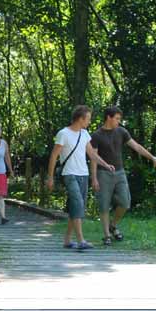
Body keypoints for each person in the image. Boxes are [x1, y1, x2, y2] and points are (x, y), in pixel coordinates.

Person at [90, 106, 156, 246]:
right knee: (104, 205)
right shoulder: (97, 135)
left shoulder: (122, 132)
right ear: (108, 118)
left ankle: (113, 225)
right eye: (117, 118)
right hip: (103, 173)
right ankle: (106, 235)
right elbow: (94, 157)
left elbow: (137, 146)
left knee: (125, 202)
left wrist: (152, 158)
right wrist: (93, 178)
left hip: (120, 172)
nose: (119, 121)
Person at [46, 105, 114, 251]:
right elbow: (53, 156)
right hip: (69, 174)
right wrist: (50, 177)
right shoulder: (63, 133)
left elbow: (92, 154)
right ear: (80, 118)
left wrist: (106, 164)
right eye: (88, 118)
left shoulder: (85, 134)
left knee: (76, 207)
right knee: (77, 204)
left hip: (83, 174)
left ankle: (67, 240)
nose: (89, 121)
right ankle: (81, 240)